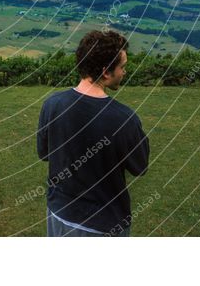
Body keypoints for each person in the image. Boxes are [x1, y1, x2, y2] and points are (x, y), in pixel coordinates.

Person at [37, 29, 149, 236]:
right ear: (106, 72)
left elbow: (44, 153)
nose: (124, 72)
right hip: (102, 225)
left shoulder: (51, 104)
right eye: (122, 67)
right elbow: (140, 166)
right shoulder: (125, 119)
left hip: (58, 214)